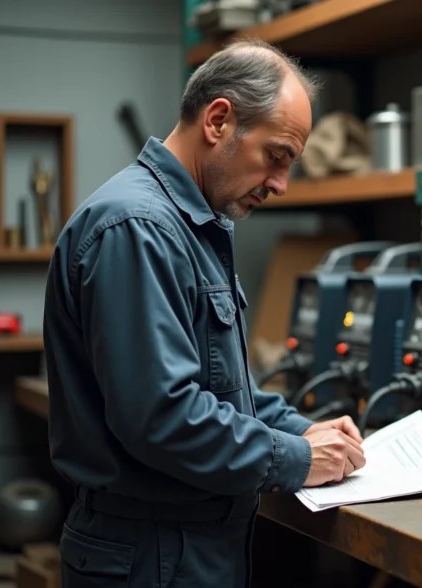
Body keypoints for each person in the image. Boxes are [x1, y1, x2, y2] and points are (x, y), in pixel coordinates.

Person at [42, 38, 366, 588]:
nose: (281, 185)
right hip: (152, 556)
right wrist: (297, 458)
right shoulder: (139, 228)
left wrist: (305, 429)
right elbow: (163, 416)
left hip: (185, 549)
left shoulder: (190, 227)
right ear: (218, 121)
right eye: (277, 156)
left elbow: (219, 388)